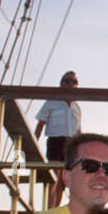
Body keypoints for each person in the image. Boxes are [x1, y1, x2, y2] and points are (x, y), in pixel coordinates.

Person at [35, 72, 81, 207]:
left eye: (74, 81)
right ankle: (49, 210)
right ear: (61, 84)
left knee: (63, 181)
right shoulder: (51, 101)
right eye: (67, 81)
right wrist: (33, 144)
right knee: (54, 178)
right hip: (55, 141)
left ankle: (54, 209)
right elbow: (40, 124)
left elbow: (78, 131)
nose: (70, 84)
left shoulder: (76, 107)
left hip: (71, 144)